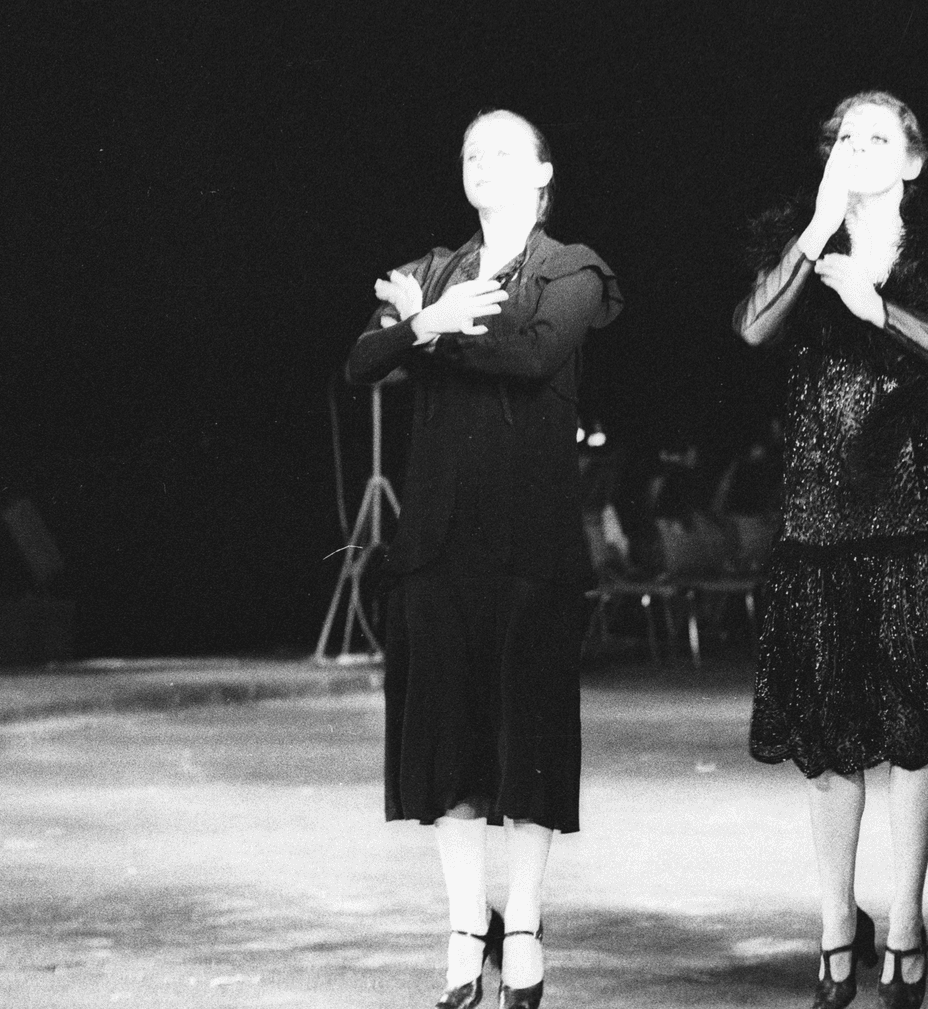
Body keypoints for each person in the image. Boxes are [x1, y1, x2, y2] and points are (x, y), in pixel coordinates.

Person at [345, 108, 622, 1009]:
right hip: (437, 541)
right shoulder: (439, 270)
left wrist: (430, 327)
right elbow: (361, 361)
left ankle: (528, 921)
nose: (485, 163)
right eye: (471, 152)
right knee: (447, 743)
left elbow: (535, 355)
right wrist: (425, 321)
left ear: (544, 173)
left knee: (528, 739)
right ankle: (468, 927)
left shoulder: (570, 267)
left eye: (505, 151)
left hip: (531, 544)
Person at [734, 90, 928, 1009]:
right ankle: (836, 926)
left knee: (915, 726)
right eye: (848, 135)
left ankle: (908, 919)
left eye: (880, 136)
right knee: (828, 737)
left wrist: (878, 307)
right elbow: (752, 328)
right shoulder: (801, 250)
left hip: (917, 519)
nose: (861, 146)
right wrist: (814, 233)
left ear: (913, 162)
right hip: (817, 526)